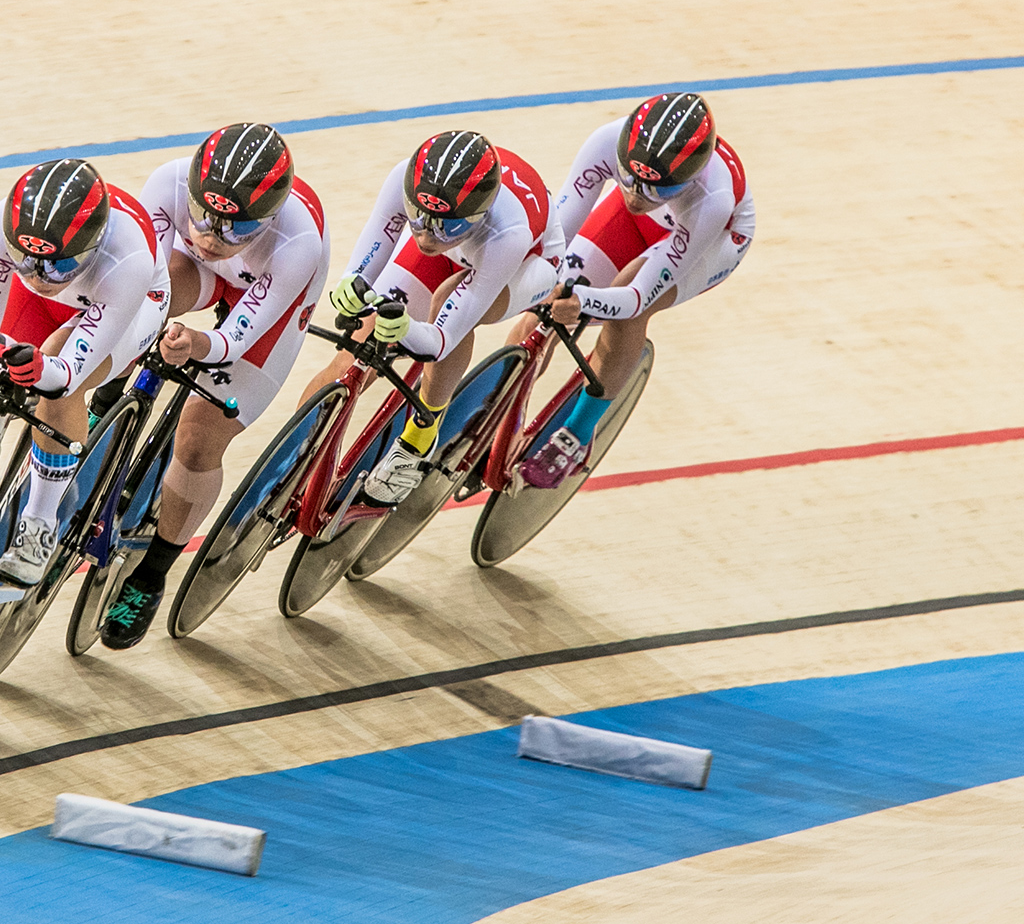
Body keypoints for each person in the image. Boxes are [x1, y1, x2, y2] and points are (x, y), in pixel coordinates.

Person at [98, 123, 330, 649]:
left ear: (266, 221)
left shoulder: (298, 242)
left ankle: (152, 573)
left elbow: (234, 337)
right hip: (197, 274)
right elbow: (144, 288)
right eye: (202, 217)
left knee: (200, 439)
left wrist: (197, 344)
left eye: (233, 231)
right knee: (136, 311)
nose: (209, 236)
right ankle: (107, 408)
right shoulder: (168, 184)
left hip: (267, 303)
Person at [0, 159, 169, 586]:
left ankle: (39, 522)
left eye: (55, 265)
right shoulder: (3, 230)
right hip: (52, 301)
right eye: (24, 259)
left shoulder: (128, 257)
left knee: (54, 376)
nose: (37, 276)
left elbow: (67, 373)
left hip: (126, 305)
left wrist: (40, 368)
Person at [313, 130, 561, 505]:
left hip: (527, 264)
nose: (427, 234)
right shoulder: (405, 180)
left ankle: (421, 435)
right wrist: (353, 282)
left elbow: (441, 338)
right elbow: (377, 243)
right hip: (461, 249)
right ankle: (299, 458)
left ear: (479, 215)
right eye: (419, 216)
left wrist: (407, 328)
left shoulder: (508, 232)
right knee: (358, 346)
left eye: (445, 224)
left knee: (448, 306)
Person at [520, 92, 754, 486]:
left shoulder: (713, 198)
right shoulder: (607, 142)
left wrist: (583, 301)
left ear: (690, 179)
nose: (635, 195)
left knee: (627, 299)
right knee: (538, 306)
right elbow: (557, 234)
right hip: (642, 224)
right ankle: (501, 411)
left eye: (657, 189)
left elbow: (635, 297)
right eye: (628, 177)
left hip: (712, 242)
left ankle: (577, 434)